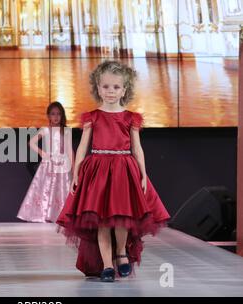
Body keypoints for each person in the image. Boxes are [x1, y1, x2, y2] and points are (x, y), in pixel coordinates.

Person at [56, 60, 170, 282]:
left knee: (121, 218)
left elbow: (137, 149)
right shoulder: (92, 117)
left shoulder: (130, 118)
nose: (110, 91)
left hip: (122, 171)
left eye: (116, 87)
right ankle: (107, 265)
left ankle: (121, 253)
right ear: (98, 88)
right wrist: (76, 173)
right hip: (97, 171)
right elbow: (82, 147)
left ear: (124, 89)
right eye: (105, 86)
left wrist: (143, 175)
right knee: (102, 221)